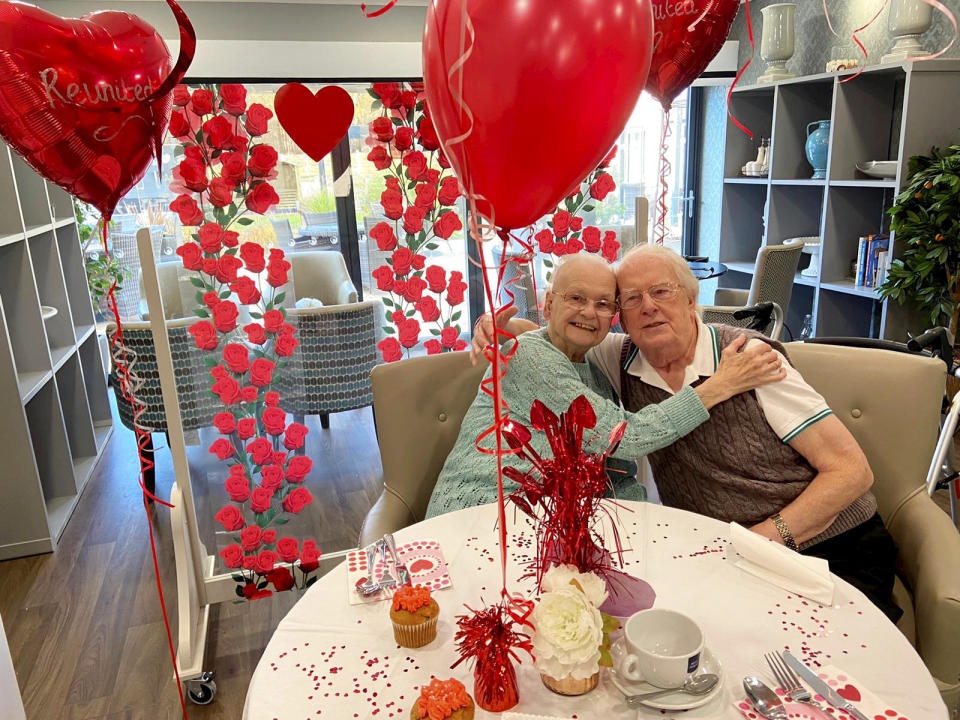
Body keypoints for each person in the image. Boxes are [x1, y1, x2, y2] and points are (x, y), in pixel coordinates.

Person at [475, 244, 898, 620]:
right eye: (631, 299)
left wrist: (760, 542)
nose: (648, 307)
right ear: (619, 317)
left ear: (692, 298)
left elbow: (851, 471)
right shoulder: (621, 360)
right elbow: (562, 336)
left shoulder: (747, 359)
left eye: (662, 291)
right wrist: (500, 328)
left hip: (831, 543)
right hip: (721, 554)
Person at [425, 253, 785, 519]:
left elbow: (617, 472)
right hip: (481, 516)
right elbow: (624, 438)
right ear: (549, 304)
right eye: (576, 299)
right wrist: (718, 386)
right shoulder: (529, 357)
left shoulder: (597, 370)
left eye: (602, 304)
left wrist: (647, 526)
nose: (588, 312)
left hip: (547, 520)